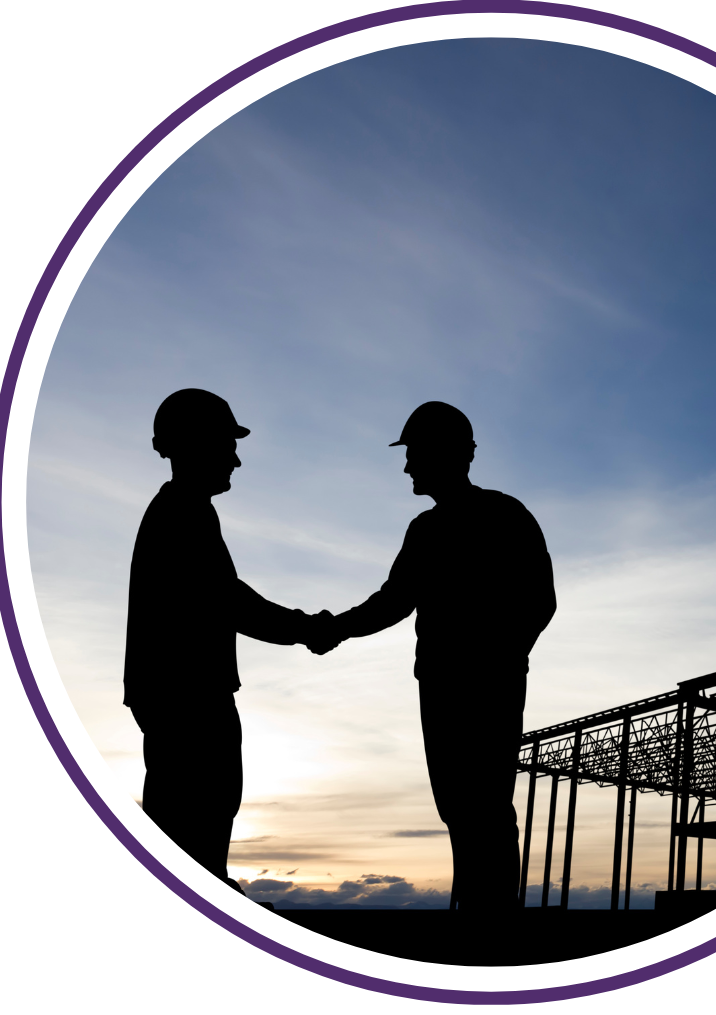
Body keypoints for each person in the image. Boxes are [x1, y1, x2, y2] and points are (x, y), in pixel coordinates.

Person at [308, 402, 556, 911]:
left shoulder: (505, 515)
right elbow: (393, 602)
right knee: (459, 806)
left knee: (484, 804)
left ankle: (492, 922)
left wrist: (499, 658)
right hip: (442, 685)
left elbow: (539, 600)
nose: (406, 468)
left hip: (484, 685)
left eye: (414, 454)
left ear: (449, 454)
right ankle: (474, 913)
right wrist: (336, 627)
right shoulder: (425, 529)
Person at [123, 388, 320, 892]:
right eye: (226, 444)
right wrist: (307, 628)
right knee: (197, 820)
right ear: (195, 443)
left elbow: (226, 598)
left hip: (180, 695)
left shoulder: (184, 512)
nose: (235, 458)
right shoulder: (181, 514)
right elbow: (229, 602)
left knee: (198, 819)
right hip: (188, 697)